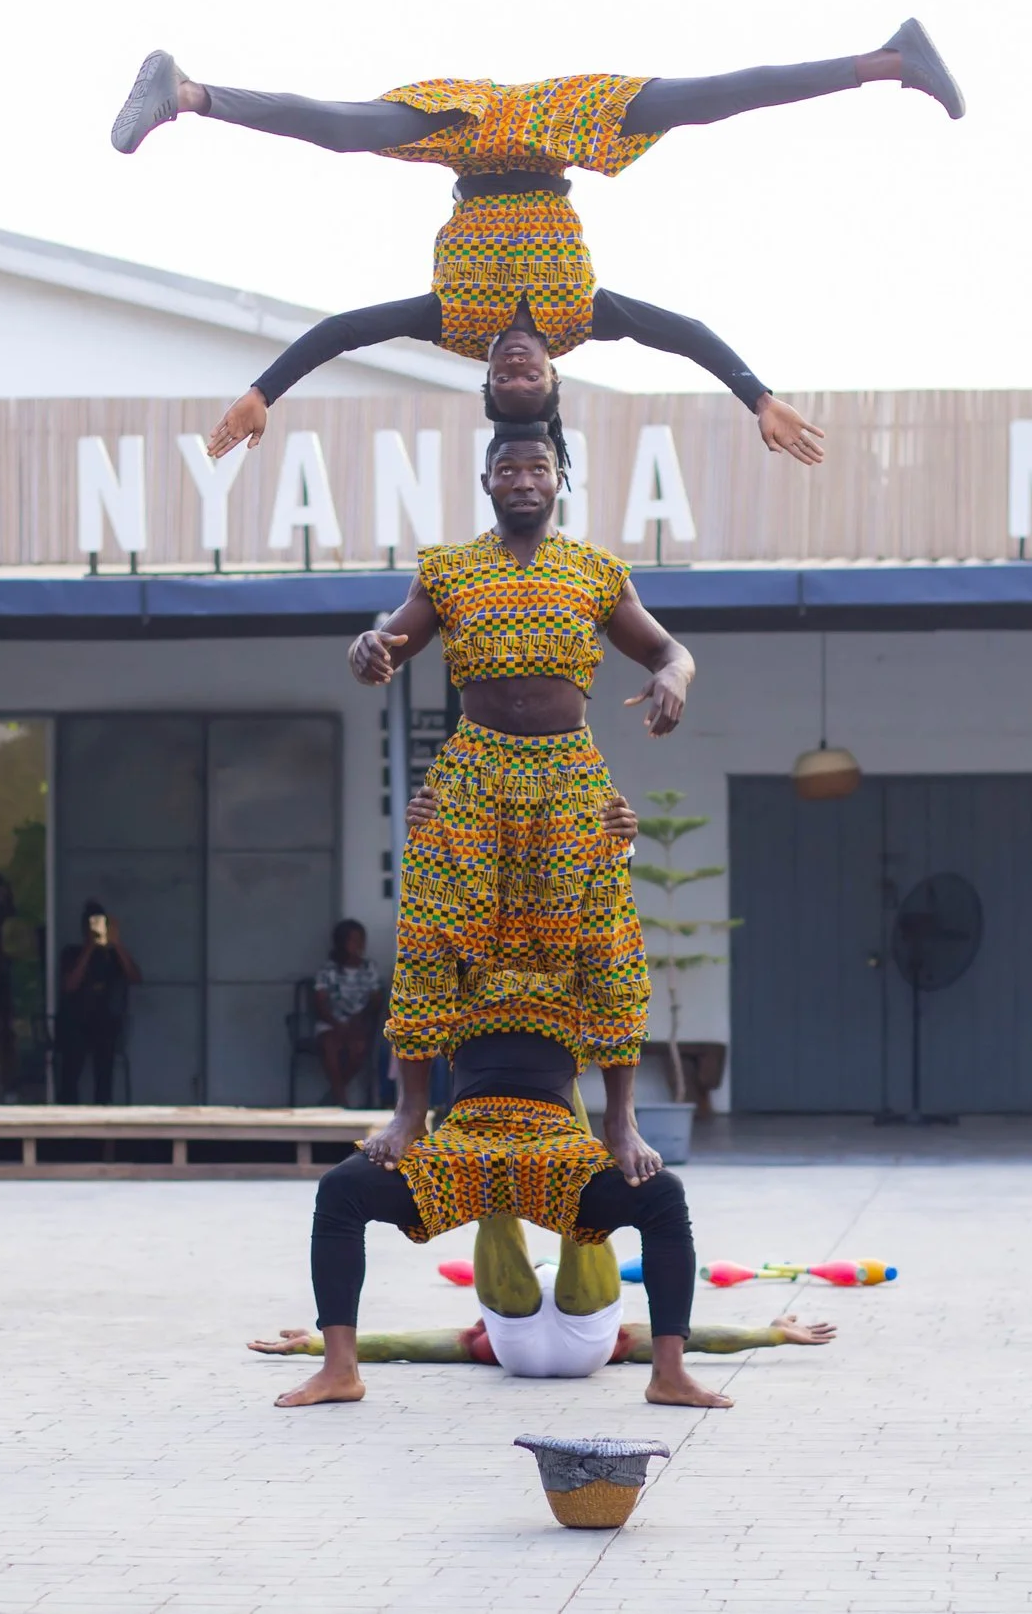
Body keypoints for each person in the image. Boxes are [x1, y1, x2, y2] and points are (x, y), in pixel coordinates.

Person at [274, 422, 719, 1410]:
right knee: (435, 934)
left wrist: (672, 678)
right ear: (486, 481)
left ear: (562, 478)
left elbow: (670, 649)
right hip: (474, 767)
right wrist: (367, 650)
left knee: (601, 936)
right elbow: (380, 648)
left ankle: (618, 1123)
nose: (524, 477)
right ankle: (408, 1111)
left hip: (566, 768)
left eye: (539, 465)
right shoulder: (446, 571)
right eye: (508, 466)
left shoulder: (596, 570)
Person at [111, 24, 963, 466]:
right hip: (559, 129)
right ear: (552, 373)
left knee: (342, 131)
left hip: (469, 136)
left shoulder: (453, 319)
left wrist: (266, 390)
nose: (518, 366)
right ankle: (891, 61)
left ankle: (185, 93)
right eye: (533, 378)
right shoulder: (582, 316)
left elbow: (343, 331)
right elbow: (686, 333)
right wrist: (758, 397)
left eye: (505, 377)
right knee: (708, 101)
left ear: (488, 373)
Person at [249, 1212, 835, 1373]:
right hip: (584, 1346)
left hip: (516, 1349)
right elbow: (689, 1338)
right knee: (582, 1210)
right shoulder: (617, 1340)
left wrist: (319, 1345)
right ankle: (567, 1079)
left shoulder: (479, 1339)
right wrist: (768, 1334)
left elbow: (415, 1345)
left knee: (497, 1212)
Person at [56, 899, 142, 1106]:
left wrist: (116, 943)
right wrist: (88, 949)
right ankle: (67, 1130)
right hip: (75, 1023)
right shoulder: (72, 953)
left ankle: (103, 1132)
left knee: (104, 1078)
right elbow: (69, 985)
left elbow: (135, 978)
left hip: (104, 1023)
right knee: (69, 1077)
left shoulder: (112, 956)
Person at [311, 920, 384, 1108]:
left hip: (358, 1024)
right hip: (331, 1023)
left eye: (362, 940)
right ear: (341, 943)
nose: (359, 945)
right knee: (329, 1046)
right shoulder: (328, 969)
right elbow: (319, 1002)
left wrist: (358, 1020)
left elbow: (376, 999)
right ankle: (342, 1102)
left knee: (359, 1047)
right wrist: (336, 1024)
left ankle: (334, 1097)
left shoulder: (370, 968)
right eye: (353, 940)